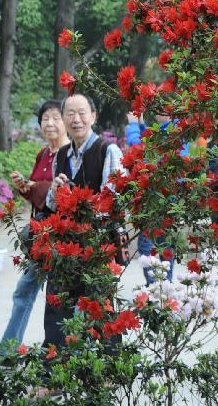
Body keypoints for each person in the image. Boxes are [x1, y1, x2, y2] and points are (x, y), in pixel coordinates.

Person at [0, 100, 68, 366]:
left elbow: (62, 193)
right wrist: (24, 186)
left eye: (55, 118)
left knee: (57, 299)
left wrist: (36, 186)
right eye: (45, 119)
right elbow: (38, 194)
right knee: (26, 290)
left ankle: (59, 357)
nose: (50, 123)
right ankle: (9, 350)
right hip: (40, 234)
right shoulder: (43, 154)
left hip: (62, 237)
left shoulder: (69, 154)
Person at [43, 93, 123, 348]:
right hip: (65, 246)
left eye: (82, 113)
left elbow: (114, 201)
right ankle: (53, 373)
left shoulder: (107, 150)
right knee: (56, 304)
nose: (76, 119)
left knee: (100, 306)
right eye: (70, 114)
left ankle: (109, 370)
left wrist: (79, 203)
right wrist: (56, 190)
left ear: (93, 116)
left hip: (96, 245)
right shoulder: (62, 154)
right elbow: (50, 204)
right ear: (65, 119)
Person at [124, 112, 189, 285]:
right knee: (164, 243)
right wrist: (142, 125)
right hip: (166, 200)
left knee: (147, 244)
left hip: (158, 200)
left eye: (159, 107)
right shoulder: (174, 129)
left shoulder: (173, 132)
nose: (156, 110)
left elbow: (140, 148)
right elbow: (152, 146)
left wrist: (132, 125)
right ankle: (164, 286)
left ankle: (156, 287)